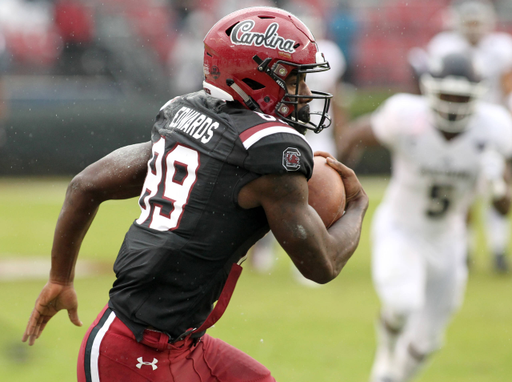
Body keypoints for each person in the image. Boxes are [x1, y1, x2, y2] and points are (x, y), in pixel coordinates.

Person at [22, 7, 368, 382]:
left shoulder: (183, 116)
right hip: (131, 354)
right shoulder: (269, 153)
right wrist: (358, 206)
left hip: (182, 343)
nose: (303, 93)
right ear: (255, 79)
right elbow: (322, 266)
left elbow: (86, 184)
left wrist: (60, 279)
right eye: (293, 79)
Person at [339, 52, 512, 382]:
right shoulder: (406, 117)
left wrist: (498, 185)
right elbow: (354, 135)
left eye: (460, 97)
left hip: (448, 240)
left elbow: (503, 209)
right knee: (402, 303)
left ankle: (395, 377)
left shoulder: (495, 129)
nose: (452, 104)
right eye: (447, 94)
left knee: (428, 340)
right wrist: (337, 189)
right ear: (430, 91)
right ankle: (385, 354)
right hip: (402, 228)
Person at [427, 0, 512, 272]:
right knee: (460, 190)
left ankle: (498, 249)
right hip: (457, 128)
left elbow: (507, 87)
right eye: (469, 23)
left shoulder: (500, 48)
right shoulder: (444, 46)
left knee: (496, 185)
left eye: (478, 23)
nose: (474, 29)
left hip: (491, 125)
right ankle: (465, 250)